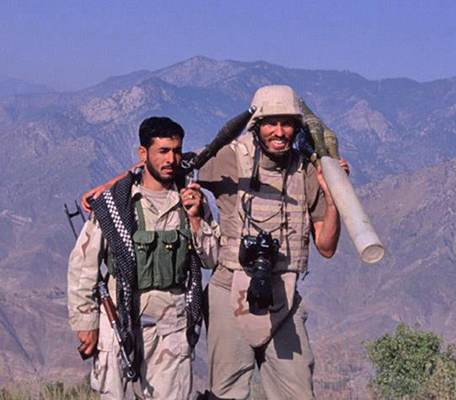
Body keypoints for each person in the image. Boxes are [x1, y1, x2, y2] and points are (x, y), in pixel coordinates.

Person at [82, 86, 349, 400]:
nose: (279, 132)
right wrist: (113, 185)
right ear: (257, 125)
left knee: (299, 392)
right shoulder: (230, 158)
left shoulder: (306, 170)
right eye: (270, 123)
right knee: (226, 394)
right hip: (229, 289)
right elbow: (169, 166)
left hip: (284, 295)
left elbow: (327, 247)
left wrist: (334, 196)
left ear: (297, 127)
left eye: (287, 123)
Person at [68, 117, 219, 399]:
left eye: (176, 151)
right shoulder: (115, 204)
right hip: (118, 323)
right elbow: (83, 266)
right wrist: (85, 324)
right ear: (143, 154)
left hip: (171, 328)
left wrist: (197, 219)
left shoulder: (190, 200)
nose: (171, 159)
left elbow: (211, 259)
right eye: (162, 151)